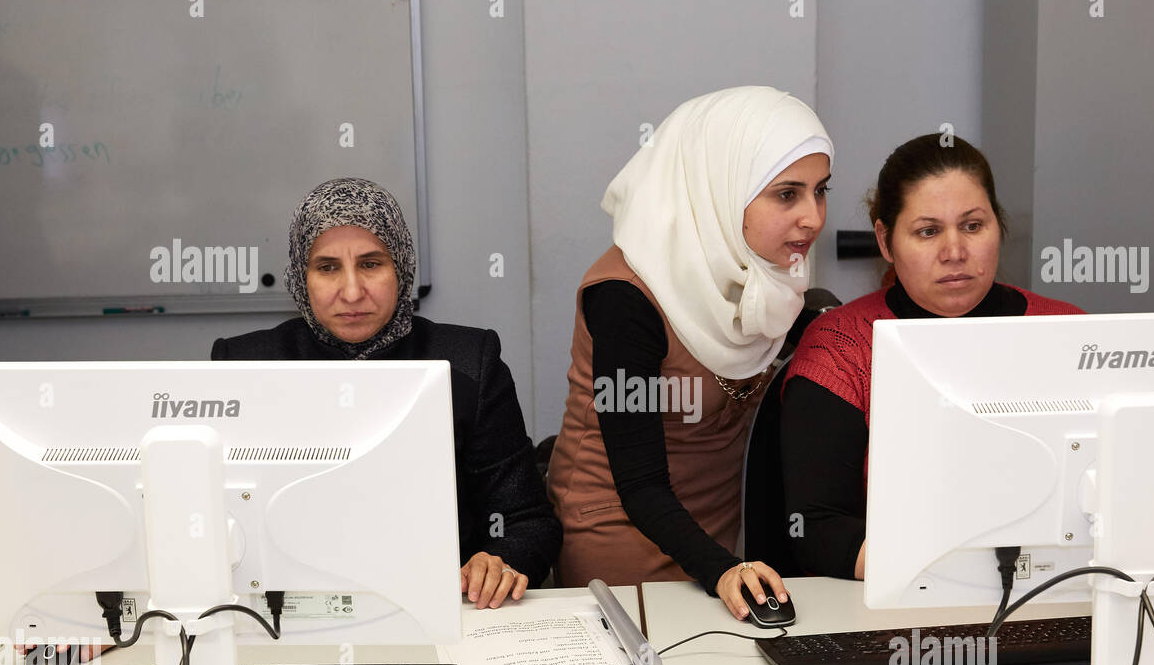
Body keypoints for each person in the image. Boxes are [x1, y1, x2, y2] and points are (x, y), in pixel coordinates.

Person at [546, 86, 834, 620]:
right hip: (622, 534)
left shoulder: (772, 279)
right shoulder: (626, 299)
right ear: (718, 189)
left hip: (721, 542)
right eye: (787, 194)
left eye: (820, 191)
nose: (813, 218)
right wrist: (721, 568)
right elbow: (639, 483)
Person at [212, 177, 560, 607]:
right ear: (300, 278)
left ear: (402, 267)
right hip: (285, 617)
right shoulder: (245, 365)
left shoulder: (468, 360)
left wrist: (499, 558)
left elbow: (527, 521)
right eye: (327, 267)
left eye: (372, 264)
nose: (353, 292)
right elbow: (207, 521)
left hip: (441, 610)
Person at [780, 134, 1084, 581]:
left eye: (973, 226)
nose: (954, 252)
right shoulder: (841, 348)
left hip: (1062, 593)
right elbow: (816, 531)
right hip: (899, 606)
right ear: (885, 240)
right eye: (927, 231)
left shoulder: (1071, 333)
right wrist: (966, 579)